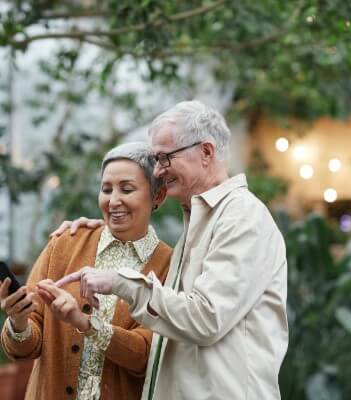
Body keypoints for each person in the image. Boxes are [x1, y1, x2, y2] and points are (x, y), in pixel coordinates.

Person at [54, 100, 289, 400]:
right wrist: (104, 229)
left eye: (165, 158)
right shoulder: (202, 221)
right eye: (156, 160)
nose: (159, 172)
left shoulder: (241, 216)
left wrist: (118, 282)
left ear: (206, 152)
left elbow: (206, 318)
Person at [0, 142, 172, 400]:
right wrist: (19, 321)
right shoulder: (65, 242)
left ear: (157, 196)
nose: (113, 201)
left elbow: (148, 357)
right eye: (106, 189)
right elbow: (24, 348)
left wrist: (85, 323)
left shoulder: (169, 265)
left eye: (127, 189)